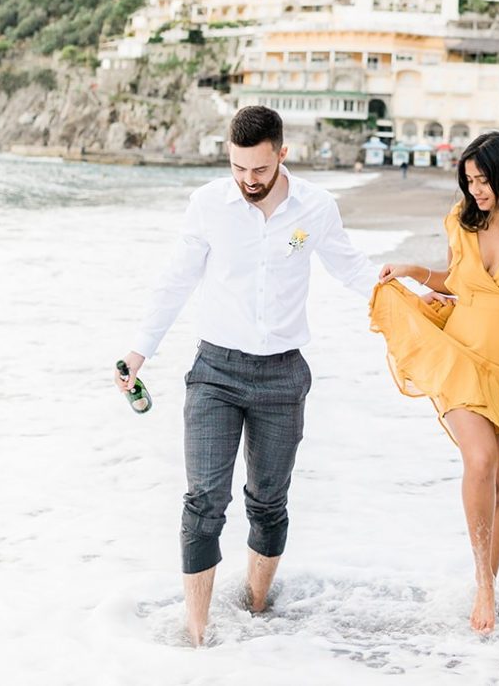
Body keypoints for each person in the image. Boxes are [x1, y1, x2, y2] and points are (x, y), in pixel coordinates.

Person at [115, 105, 377, 645]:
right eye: (238, 168)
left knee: (268, 502)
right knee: (204, 499)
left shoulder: (316, 208)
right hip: (215, 371)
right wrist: (140, 351)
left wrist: (423, 299)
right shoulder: (208, 204)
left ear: (282, 154)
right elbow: (176, 279)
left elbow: (354, 270)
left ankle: (257, 612)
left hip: (283, 377)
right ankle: (198, 634)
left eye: (258, 170)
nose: (248, 181)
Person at [369, 130, 499, 634]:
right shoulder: (461, 222)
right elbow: (459, 282)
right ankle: (483, 587)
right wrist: (418, 273)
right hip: (461, 354)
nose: (476, 190)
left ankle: (490, 578)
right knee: (479, 460)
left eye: (483, 180)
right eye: (469, 181)